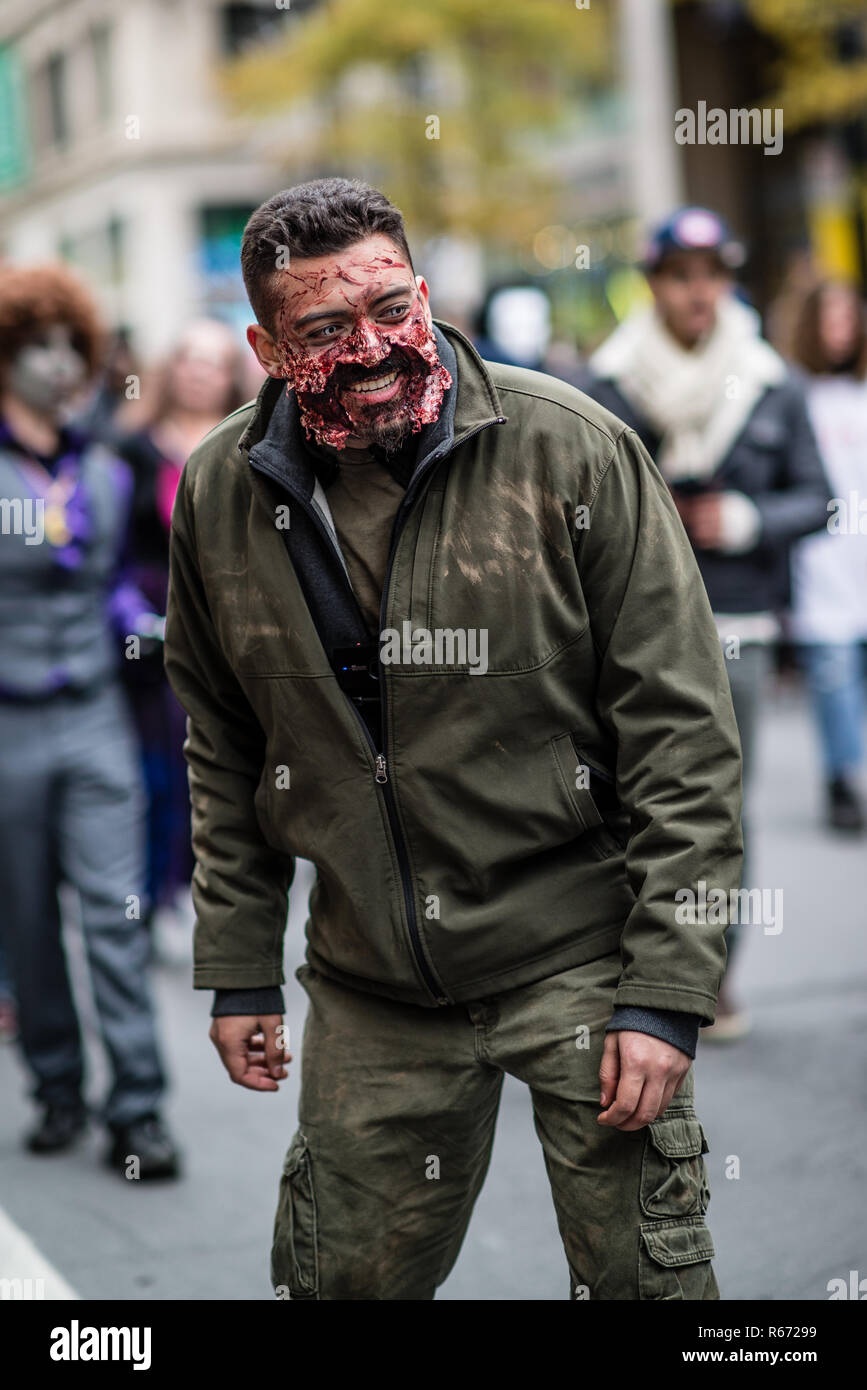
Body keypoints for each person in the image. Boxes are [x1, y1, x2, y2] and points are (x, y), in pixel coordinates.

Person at [164, 178, 743, 1300]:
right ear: (266, 345)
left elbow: (683, 735)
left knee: (648, 1288)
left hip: (583, 953)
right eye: (326, 329)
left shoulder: (570, 448)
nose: (373, 347)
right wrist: (239, 970)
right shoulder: (218, 492)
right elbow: (225, 743)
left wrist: (669, 988)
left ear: (425, 292)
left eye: (392, 308)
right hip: (370, 982)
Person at [580, 207, 831, 1042]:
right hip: (628, 625)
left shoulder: (769, 380)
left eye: (711, 275)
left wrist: (748, 519)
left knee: (717, 804)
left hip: (738, 623)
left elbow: (817, 497)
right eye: (680, 276)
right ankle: (628, 968)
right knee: (625, 800)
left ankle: (708, 976)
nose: (697, 292)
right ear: (653, 283)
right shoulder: (603, 384)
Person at [0, 263, 179, 1177]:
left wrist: (148, 630)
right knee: (28, 924)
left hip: (97, 718)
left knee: (118, 915)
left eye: (72, 345)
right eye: (38, 345)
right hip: (8, 727)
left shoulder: (107, 470)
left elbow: (113, 585)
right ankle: (58, 1088)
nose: (59, 363)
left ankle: (138, 1109)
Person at [116, 321, 248, 955]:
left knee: (236, 762)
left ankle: (224, 894)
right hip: (154, 632)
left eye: (215, 363)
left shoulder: (248, 442)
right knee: (166, 766)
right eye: (190, 360)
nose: (200, 373)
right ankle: (160, 891)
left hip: (233, 626)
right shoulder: (133, 449)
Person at [788, 281, 867, 832]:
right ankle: (842, 778)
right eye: (829, 318)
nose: (840, 330)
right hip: (822, 558)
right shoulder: (795, 394)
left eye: (849, 318)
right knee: (834, 672)